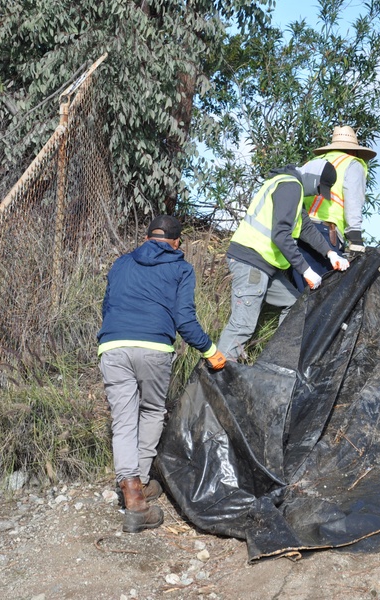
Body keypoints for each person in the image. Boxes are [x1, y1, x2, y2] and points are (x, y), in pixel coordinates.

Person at [97, 215, 226, 533]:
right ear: (177, 243)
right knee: (153, 410)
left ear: (147, 237)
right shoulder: (181, 268)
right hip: (153, 348)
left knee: (124, 421)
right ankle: (137, 493)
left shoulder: (121, 264)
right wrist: (211, 351)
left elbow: (107, 307)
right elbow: (184, 319)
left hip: (112, 346)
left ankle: (131, 489)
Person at [218, 161, 350, 360]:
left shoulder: (292, 190)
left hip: (265, 265)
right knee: (242, 326)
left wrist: (330, 253)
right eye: (318, 188)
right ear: (311, 177)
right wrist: (306, 270)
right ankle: (213, 381)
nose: (316, 194)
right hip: (251, 261)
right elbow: (280, 235)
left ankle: (275, 360)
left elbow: (305, 226)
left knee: (294, 306)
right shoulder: (290, 186)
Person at [291, 125, 376, 290]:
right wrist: (355, 239)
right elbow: (353, 201)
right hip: (325, 234)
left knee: (301, 296)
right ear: (355, 150)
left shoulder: (313, 163)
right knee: (320, 297)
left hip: (300, 230)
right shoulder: (352, 164)